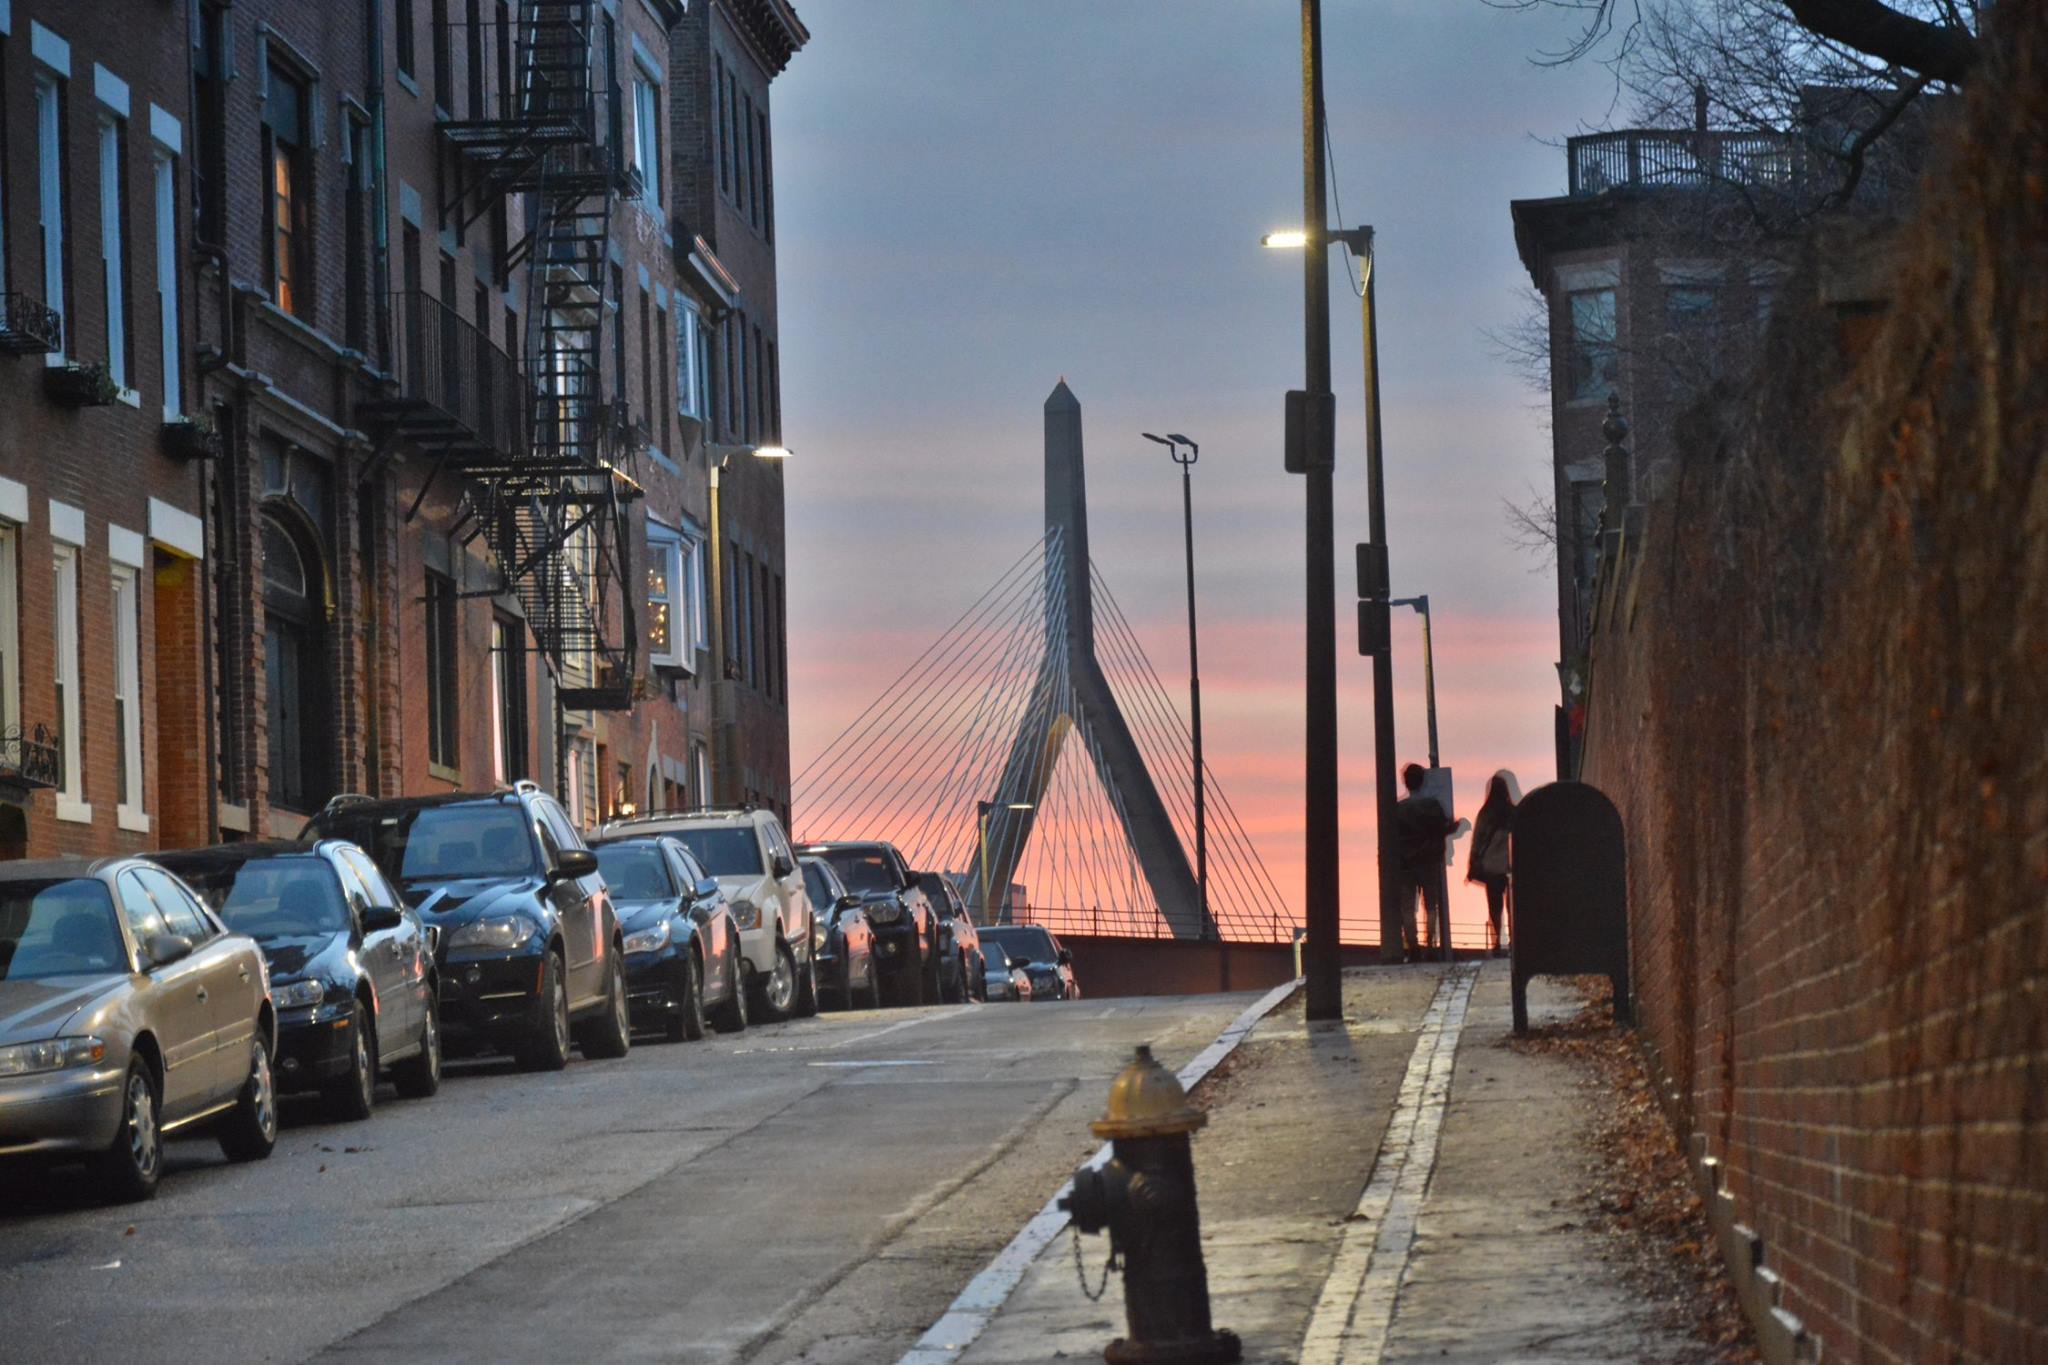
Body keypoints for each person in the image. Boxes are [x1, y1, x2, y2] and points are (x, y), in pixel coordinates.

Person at [1394, 763, 1459, 962]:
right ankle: (1430, 943)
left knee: (1407, 906)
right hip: (1429, 861)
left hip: (1405, 862)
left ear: (1406, 782)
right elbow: (1443, 829)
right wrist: (1456, 826)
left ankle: (1412, 946)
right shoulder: (1433, 807)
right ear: (1423, 781)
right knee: (1431, 905)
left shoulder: (1398, 809)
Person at [1465, 770, 1522, 956]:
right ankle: (1515, 940)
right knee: (1512, 904)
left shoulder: (1485, 814)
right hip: (1511, 866)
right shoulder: (1514, 813)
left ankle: (1497, 940)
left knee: (1494, 907)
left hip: (1491, 867)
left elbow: (1478, 840)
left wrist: (1473, 862)